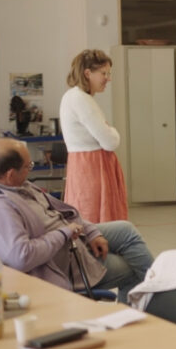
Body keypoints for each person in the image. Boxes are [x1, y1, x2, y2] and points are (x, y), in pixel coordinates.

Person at [0, 138, 153, 302]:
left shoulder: (14, 185)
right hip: (60, 264)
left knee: (126, 230)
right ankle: (152, 304)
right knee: (132, 268)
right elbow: (21, 257)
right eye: (27, 166)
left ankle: (159, 288)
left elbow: (61, 212)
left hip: (71, 240)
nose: (30, 170)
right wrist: (64, 234)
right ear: (9, 174)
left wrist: (91, 232)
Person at [60, 49, 127, 223]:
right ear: (88, 73)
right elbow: (110, 141)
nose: (108, 78)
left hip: (86, 165)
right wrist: (113, 131)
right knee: (96, 221)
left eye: (109, 73)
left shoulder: (75, 97)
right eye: (103, 73)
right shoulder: (80, 99)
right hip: (92, 167)